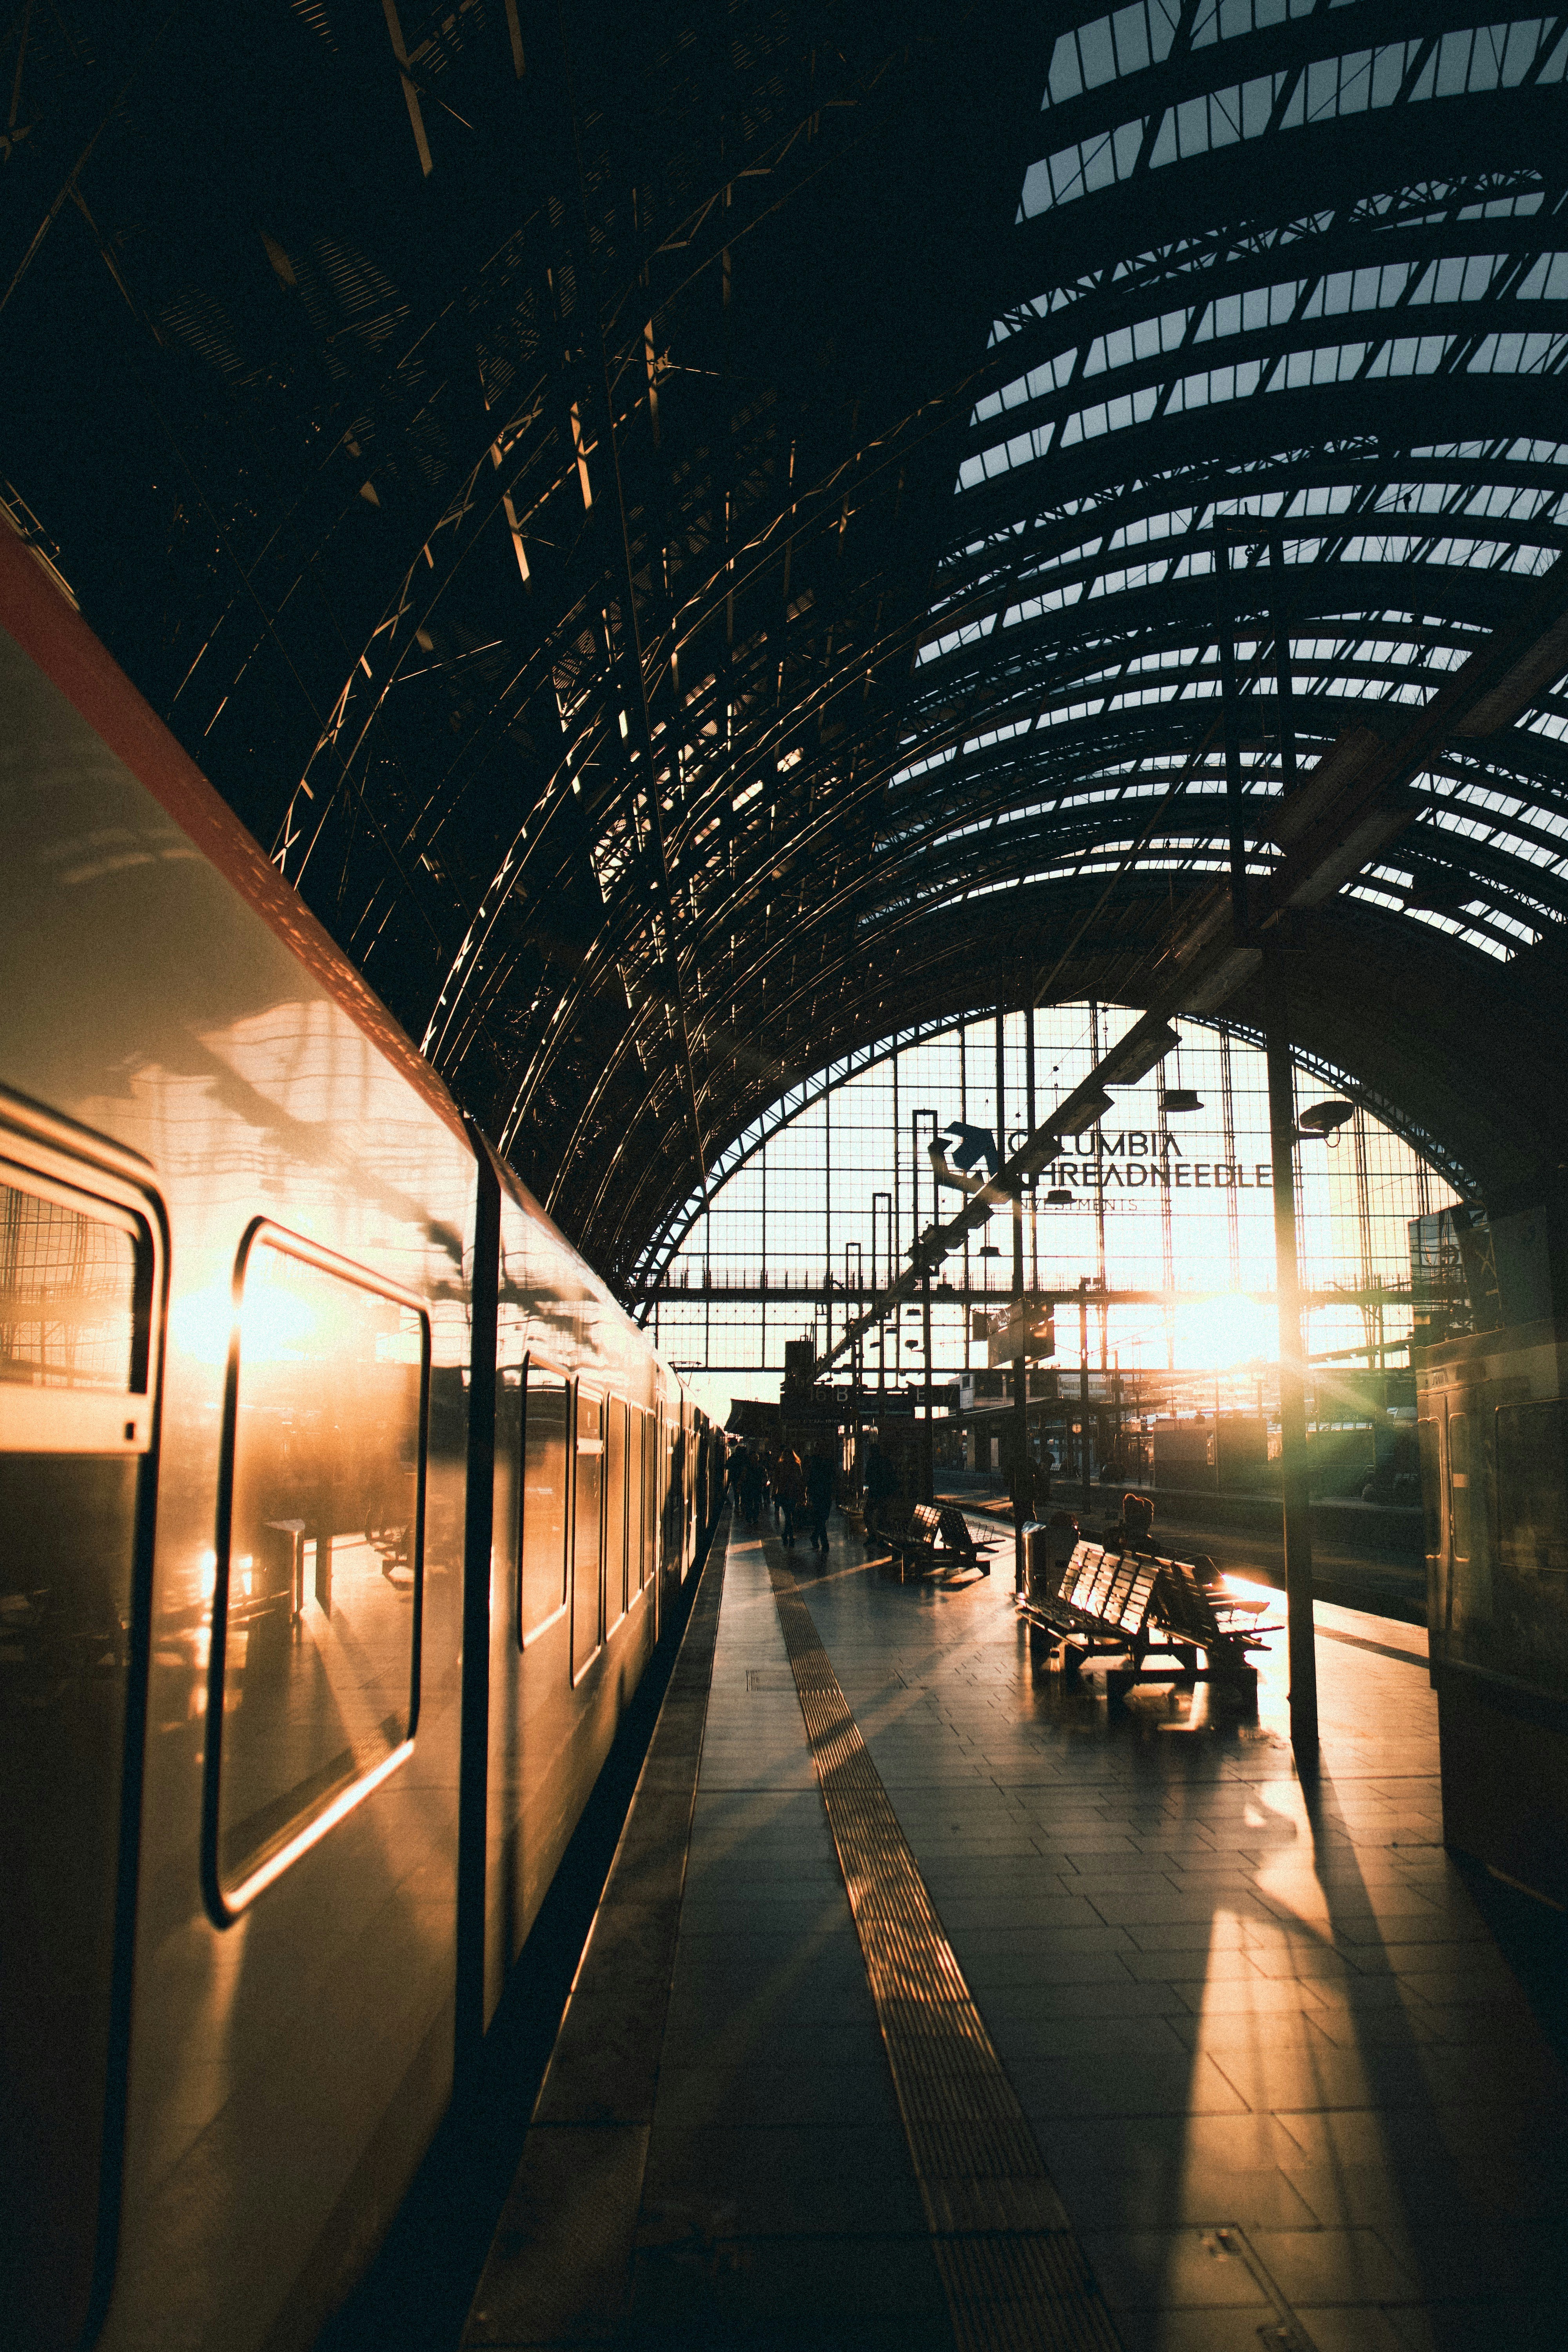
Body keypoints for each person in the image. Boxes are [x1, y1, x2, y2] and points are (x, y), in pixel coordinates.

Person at [805, 1445, 835, 1556]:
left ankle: (815, 1537)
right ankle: (825, 1543)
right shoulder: (827, 1463)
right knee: (822, 1518)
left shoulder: (815, 1463)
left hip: (818, 1493)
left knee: (821, 1518)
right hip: (824, 1493)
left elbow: (810, 1479)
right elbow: (833, 1477)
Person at [773, 1446, 803, 1546]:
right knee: (789, 1516)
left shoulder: (780, 1466)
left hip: (783, 1493)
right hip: (794, 1494)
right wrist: (803, 1494)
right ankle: (790, 1537)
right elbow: (800, 1480)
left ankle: (787, 1536)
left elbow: (776, 1481)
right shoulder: (796, 1465)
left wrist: (774, 1493)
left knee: (788, 1516)